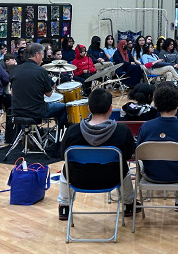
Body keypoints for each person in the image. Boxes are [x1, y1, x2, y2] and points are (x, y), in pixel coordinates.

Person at [58, 88, 140, 219]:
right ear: (111, 108)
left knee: (65, 168)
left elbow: (63, 156)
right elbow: (129, 155)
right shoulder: (122, 131)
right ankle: (128, 204)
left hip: (79, 179)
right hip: (111, 179)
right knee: (124, 168)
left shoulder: (72, 131)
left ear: (89, 108)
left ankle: (64, 206)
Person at [135, 82, 178, 211]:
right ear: (177, 105)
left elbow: (138, 152)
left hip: (151, 176)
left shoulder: (145, 127)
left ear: (156, 105)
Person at [9, 43, 67, 125]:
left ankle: (25, 134)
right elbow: (49, 94)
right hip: (36, 111)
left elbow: (12, 92)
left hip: (16, 111)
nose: (43, 58)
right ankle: (60, 136)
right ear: (37, 55)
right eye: (42, 54)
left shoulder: (15, 70)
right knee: (63, 107)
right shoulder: (41, 71)